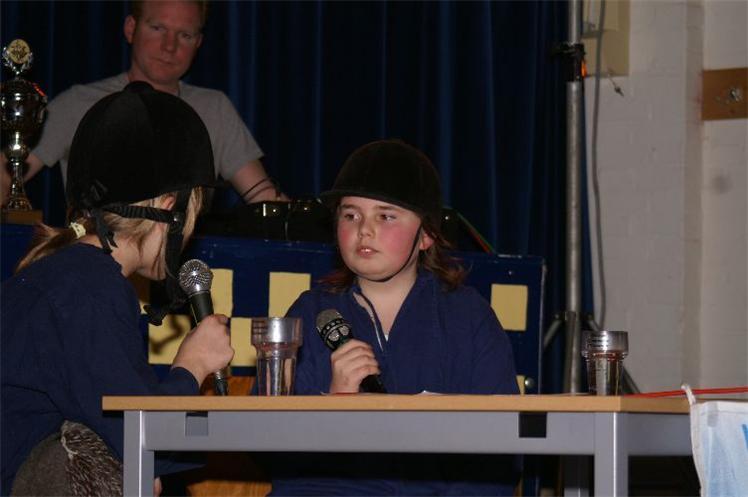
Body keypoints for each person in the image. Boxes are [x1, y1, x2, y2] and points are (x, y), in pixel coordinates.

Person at [0, 82, 235, 495]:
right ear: (168, 207)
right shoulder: (90, 287)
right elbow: (146, 442)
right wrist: (192, 367)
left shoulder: (62, 272)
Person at [269, 139, 520, 495]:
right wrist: (331, 402)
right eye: (350, 215)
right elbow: (266, 448)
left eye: (385, 216)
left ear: (427, 235)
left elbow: (501, 450)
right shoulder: (309, 313)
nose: (364, 229)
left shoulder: (468, 316)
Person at [0, 0, 286, 207]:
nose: (170, 46)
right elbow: (7, 175)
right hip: (98, 262)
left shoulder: (214, 108)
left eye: (185, 35)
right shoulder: (79, 103)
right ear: (131, 29)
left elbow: (263, 199)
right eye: (158, 28)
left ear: (198, 43)